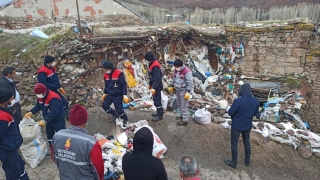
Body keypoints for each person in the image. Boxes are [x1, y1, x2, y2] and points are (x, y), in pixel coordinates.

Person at [52, 104, 104, 180]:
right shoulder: (90, 143)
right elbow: (98, 169)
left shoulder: (57, 135)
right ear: (85, 121)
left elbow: (55, 158)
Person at [224, 83, 259, 169]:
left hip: (237, 125)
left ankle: (234, 162)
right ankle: (247, 161)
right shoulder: (256, 101)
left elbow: (230, 112)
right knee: (246, 141)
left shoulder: (239, 101)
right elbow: (256, 114)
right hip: (247, 125)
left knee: (234, 143)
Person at [24, 83, 66, 155]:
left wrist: (45, 120)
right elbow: (38, 106)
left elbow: (54, 111)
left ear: (44, 92)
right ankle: (53, 151)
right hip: (49, 120)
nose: (38, 96)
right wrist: (31, 112)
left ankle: (64, 151)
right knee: (50, 135)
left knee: (61, 136)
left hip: (58, 119)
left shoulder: (53, 98)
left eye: (39, 94)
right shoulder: (41, 96)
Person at [0, 88, 29, 180]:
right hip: (7, 151)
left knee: (20, 168)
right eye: (12, 98)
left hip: (11, 148)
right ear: (5, 100)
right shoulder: (2, 117)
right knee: (13, 174)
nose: (13, 100)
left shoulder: (5, 112)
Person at [101, 61, 129, 127]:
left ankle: (125, 119)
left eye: (107, 69)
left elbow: (123, 84)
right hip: (110, 94)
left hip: (118, 95)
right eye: (105, 69)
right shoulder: (106, 75)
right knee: (104, 106)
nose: (106, 71)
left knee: (119, 110)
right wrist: (105, 93)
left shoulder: (119, 73)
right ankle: (114, 114)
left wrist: (124, 94)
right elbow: (106, 85)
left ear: (110, 68)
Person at [173, 59, 194, 126]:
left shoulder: (187, 71)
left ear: (181, 66)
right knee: (179, 104)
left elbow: (190, 83)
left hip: (184, 90)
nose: (176, 68)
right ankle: (182, 116)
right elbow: (174, 78)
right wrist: (172, 85)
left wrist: (188, 92)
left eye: (177, 67)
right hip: (178, 89)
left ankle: (185, 120)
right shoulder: (176, 69)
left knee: (184, 106)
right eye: (175, 67)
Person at [145, 52, 164, 121]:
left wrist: (154, 87)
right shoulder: (152, 63)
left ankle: (160, 115)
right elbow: (152, 76)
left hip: (157, 86)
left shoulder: (155, 66)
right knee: (156, 100)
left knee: (157, 100)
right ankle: (159, 112)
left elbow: (157, 78)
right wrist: (150, 84)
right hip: (155, 85)